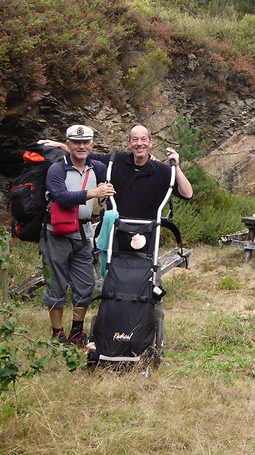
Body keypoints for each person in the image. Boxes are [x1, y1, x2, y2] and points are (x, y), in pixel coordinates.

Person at [40, 124, 192, 354]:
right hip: (97, 236)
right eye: (135, 139)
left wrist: (176, 166)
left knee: (98, 285)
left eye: (144, 139)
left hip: (140, 237)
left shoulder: (159, 170)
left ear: (151, 143)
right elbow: (79, 161)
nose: (139, 143)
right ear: (128, 143)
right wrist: (61, 146)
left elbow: (187, 193)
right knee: (71, 283)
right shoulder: (112, 163)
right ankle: (61, 333)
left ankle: (89, 331)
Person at [41, 125, 115, 346]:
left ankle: (76, 332)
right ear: (69, 144)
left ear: (92, 145)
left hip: (83, 233)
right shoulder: (56, 169)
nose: (81, 146)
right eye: (76, 142)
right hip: (56, 233)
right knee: (56, 284)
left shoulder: (98, 167)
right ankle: (57, 334)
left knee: (85, 284)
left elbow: (119, 174)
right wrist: (94, 193)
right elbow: (61, 197)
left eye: (85, 142)